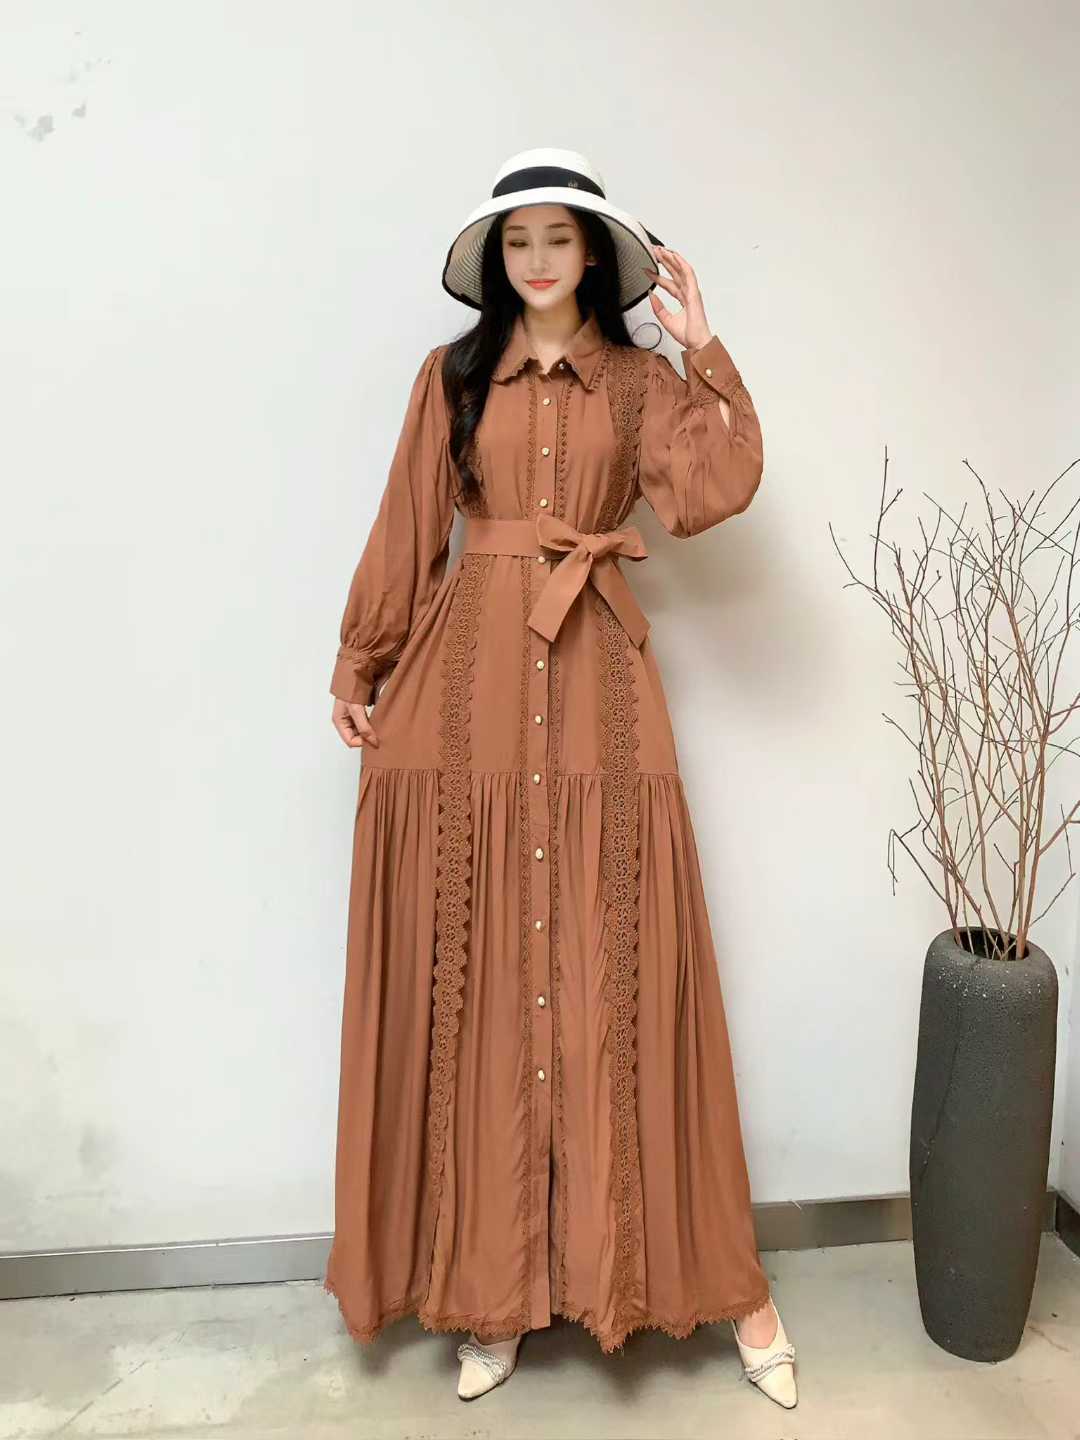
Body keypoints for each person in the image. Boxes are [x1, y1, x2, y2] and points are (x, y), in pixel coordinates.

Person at [323, 147, 797, 1410]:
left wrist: (705, 350)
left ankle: (719, 1285)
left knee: (617, 969)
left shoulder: (639, 383)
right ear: (499, 259)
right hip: (466, 698)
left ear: (594, 255)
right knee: (483, 979)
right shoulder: (452, 376)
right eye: (519, 240)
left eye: (559, 238)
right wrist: (363, 660)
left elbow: (715, 489)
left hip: (600, 691)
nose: (538, 260)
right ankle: (493, 1291)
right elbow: (408, 524)